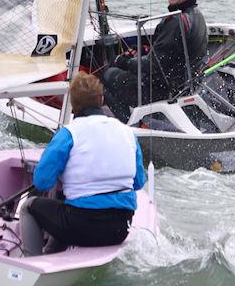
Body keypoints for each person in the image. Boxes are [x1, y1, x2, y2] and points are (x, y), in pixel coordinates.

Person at [19, 72, 147, 256]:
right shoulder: (127, 133)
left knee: (29, 207)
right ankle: (53, 251)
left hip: (81, 226)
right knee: (68, 205)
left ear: (73, 103)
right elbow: (138, 183)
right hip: (120, 228)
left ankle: (31, 262)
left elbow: (42, 182)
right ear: (101, 99)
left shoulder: (69, 134)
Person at [101, 0, 208, 121]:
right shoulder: (197, 15)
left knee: (108, 75)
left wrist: (123, 62)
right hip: (185, 86)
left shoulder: (177, 21)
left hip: (164, 91)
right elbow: (168, 54)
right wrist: (143, 51)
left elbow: (152, 65)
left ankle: (129, 125)